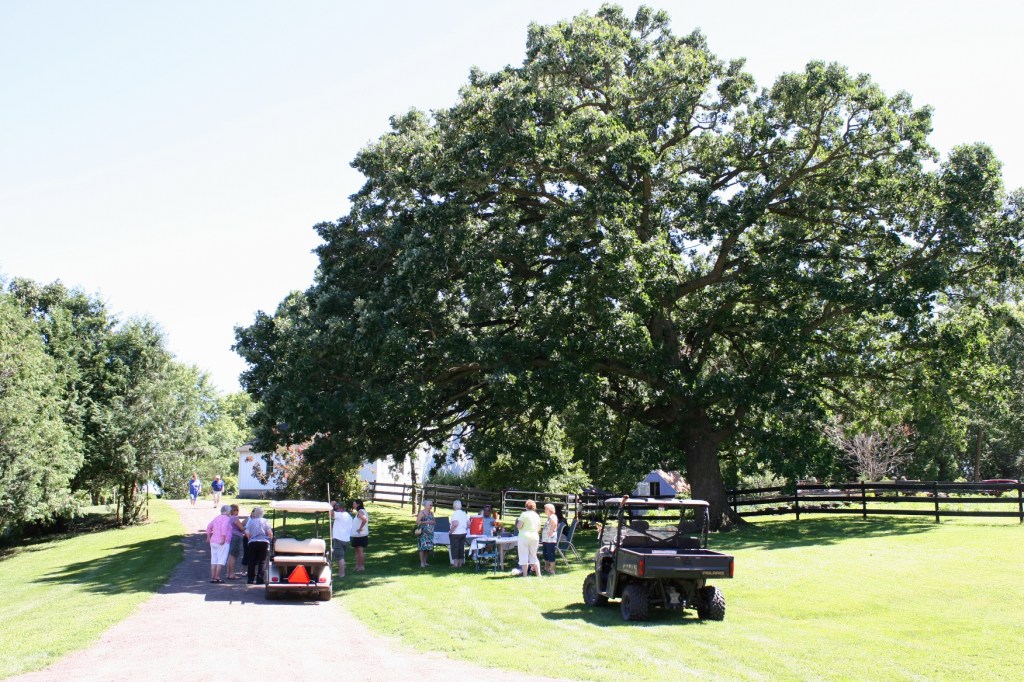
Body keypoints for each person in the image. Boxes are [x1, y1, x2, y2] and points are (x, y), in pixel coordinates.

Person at [244, 506, 273, 584]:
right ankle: (260, 579)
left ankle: (250, 579)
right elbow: (269, 532)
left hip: (252, 542)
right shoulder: (265, 521)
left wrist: (250, 538)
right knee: (262, 561)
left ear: (255, 513)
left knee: (251, 561)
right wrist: (271, 538)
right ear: (262, 513)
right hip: (264, 542)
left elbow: (247, 533)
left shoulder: (251, 521)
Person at [205, 505, 233, 583]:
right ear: (227, 511)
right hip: (223, 541)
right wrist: (224, 538)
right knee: (221, 559)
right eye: (230, 511)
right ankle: (217, 577)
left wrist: (208, 536)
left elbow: (209, 526)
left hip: (213, 541)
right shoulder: (227, 519)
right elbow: (224, 527)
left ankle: (212, 577)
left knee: (214, 560)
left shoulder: (216, 518)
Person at [515, 500, 542, 577]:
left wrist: (519, 526)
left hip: (524, 537)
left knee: (524, 556)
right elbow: (538, 528)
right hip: (534, 537)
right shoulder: (537, 515)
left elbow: (519, 526)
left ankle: (525, 575)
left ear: (526, 506)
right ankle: (538, 574)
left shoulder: (524, 514)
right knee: (533, 555)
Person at [331, 500, 352, 578]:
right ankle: (341, 573)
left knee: (340, 558)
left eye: (337, 508)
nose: (336, 509)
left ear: (340, 508)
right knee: (340, 557)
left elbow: (330, 514)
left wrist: (331, 505)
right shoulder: (348, 516)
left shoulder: (341, 515)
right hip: (346, 539)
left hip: (339, 539)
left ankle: (341, 574)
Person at [225, 504, 246, 579]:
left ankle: (228, 573)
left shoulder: (229, 518)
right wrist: (245, 526)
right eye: (236, 510)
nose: (237, 511)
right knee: (233, 556)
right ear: (233, 511)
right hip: (236, 537)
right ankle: (232, 574)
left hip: (231, 537)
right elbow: (241, 528)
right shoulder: (235, 518)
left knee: (230, 556)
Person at [415, 500, 435, 568]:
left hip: (430, 533)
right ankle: (421, 563)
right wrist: (426, 522)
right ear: (426, 506)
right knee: (422, 548)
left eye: (432, 505)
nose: (431, 506)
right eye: (430, 505)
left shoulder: (431, 513)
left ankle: (425, 561)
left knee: (427, 548)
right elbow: (417, 522)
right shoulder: (422, 512)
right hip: (423, 533)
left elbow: (434, 521)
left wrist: (432, 522)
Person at [350, 499, 369, 572]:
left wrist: (360, 528)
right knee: (357, 551)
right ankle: (357, 566)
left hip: (360, 535)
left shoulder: (360, 512)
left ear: (358, 504)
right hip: (357, 535)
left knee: (360, 551)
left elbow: (364, 520)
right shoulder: (360, 512)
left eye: (354, 504)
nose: (353, 505)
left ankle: (361, 566)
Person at [449, 500, 469, 568]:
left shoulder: (455, 514)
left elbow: (455, 524)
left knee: (455, 548)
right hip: (463, 533)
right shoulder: (464, 513)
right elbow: (469, 524)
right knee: (461, 548)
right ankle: (460, 563)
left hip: (456, 533)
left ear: (454, 506)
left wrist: (451, 531)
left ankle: (455, 564)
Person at [541, 503, 559, 576]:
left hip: (550, 539)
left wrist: (551, 531)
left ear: (549, 510)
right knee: (545, 553)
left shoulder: (552, 516)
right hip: (546, 539)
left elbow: (554, 524)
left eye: (545, 509)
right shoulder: (549, 517)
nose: (544, 510)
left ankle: (552, 570)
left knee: (550, 553)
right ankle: (546, 567)